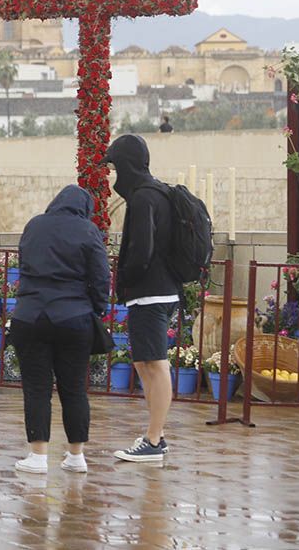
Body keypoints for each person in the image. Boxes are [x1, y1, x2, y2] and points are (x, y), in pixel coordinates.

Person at [8, 185, 110, 474]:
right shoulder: (88, 230)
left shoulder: (34, 225)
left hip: (31, 316)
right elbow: (101, 275)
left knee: (37, 388)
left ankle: (38, 456)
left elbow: (24, 263)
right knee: (75, 387)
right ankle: (76, 456)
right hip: (74, 318)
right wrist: (97, 307)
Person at [102, 134, 179, 463]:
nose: (115, 172)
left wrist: (125, 280)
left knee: (156, 363)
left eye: (117, 165)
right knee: (144, 362)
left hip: (150, 292)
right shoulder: (156, 192)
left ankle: (154, 439)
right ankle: (155, 434)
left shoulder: (144, 197)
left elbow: (142, 249)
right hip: (157, 290)